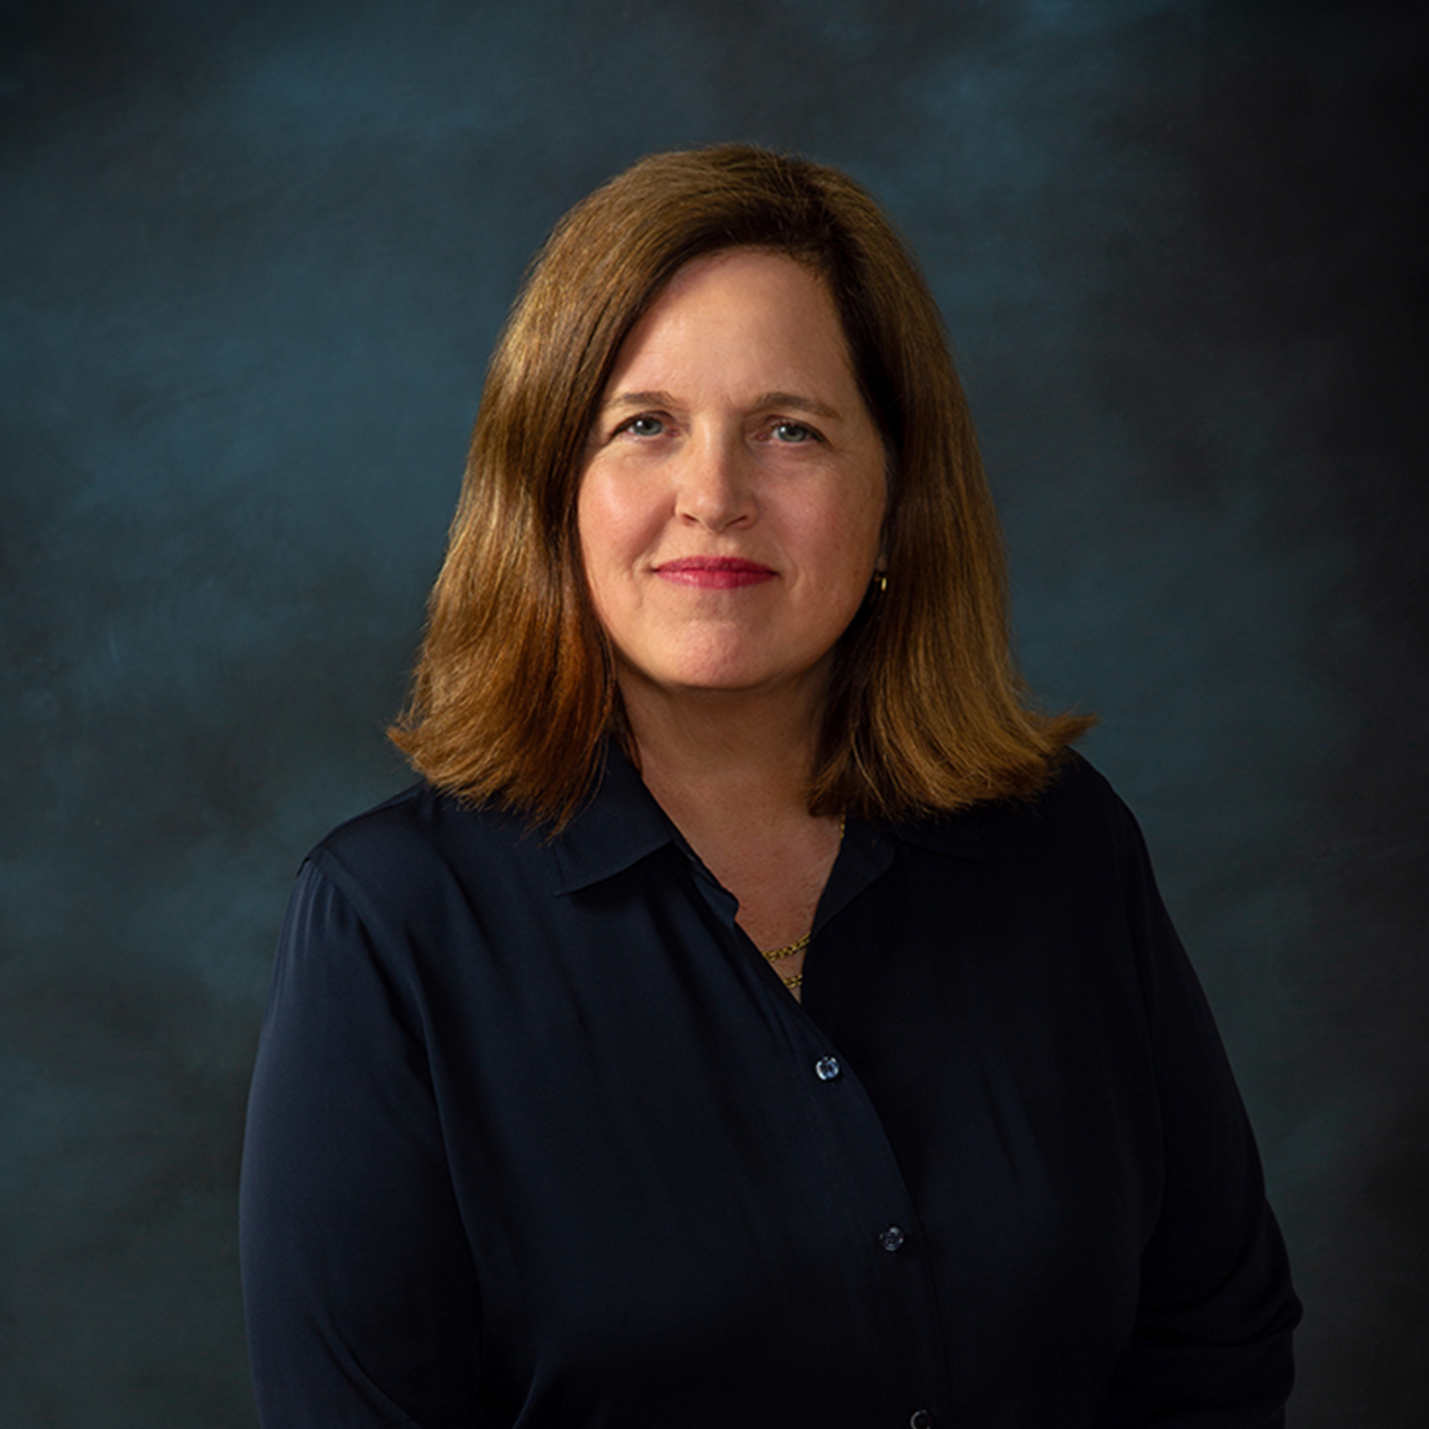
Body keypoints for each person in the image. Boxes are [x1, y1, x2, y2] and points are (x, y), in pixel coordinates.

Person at [239, 144, 1300, 1428]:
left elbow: (1212, 1333)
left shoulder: (1062, 846)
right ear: (549, 493)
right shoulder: (389, 923)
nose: (713, 497)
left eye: (788, 430)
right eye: (644, 426)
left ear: (895, 490)